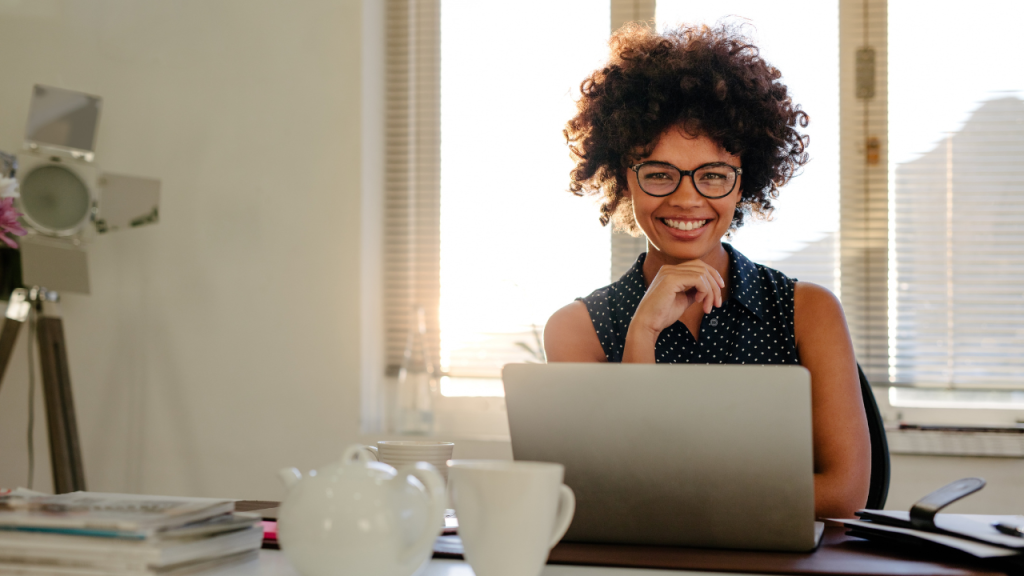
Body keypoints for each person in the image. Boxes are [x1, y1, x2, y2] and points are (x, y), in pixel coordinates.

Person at [544, 22, 870, 520]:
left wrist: (681, 497)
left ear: (745, 183)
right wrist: (642, 335)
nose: (686, 198)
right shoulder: (576, 330)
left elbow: (845, 492)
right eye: (658, 173)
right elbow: (610, 486)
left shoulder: (810, 312)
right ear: (624, 180)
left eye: (713, 175)